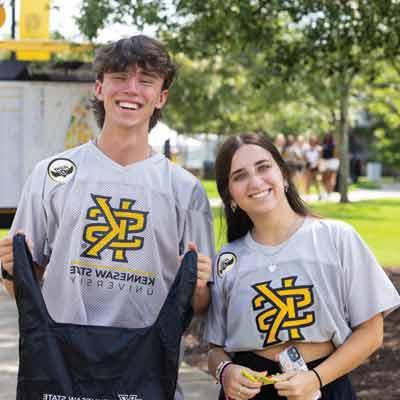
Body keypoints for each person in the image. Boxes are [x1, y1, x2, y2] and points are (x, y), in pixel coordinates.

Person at [0, 35, 214, 400]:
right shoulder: (53, 174)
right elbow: (21, 287)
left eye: (146, 81)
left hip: (146, 370)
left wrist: (198, 286)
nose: (131, 90)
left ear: (161, 97)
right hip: (62, 372)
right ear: (99, 87)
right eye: (119, 77)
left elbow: (200, 305)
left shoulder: (185, 191)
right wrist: (10, 268)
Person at [204, 132, 400, 400]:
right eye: (239, 176)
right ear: (231, 196)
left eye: (263, 167)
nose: (255, 181)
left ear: (284, 175)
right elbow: (215, 348)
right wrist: (225, 371)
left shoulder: (336, 237)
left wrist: (316, 379)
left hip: (325, 383)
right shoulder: (227, 260)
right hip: (252, 392)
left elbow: (371, 332)